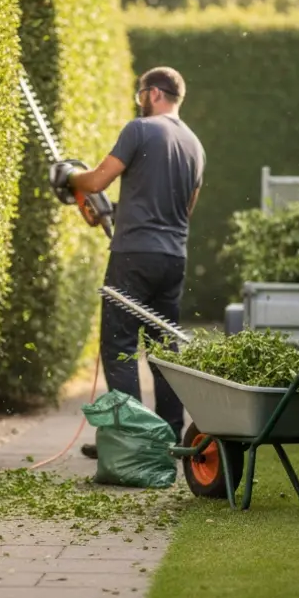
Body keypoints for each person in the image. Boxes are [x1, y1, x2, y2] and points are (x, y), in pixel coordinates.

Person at [51, 66, 206, 458]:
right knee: (163, 350)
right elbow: (185, 209)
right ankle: (169, 438)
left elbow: (98, 180)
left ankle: (129, 442)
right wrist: (122, 213)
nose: (139, 100)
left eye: (141, 93)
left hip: (134, 256)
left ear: (153, 94)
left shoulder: (139, 129)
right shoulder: (195, 145)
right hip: (173, 258)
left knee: (119, 345)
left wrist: (70, 177)